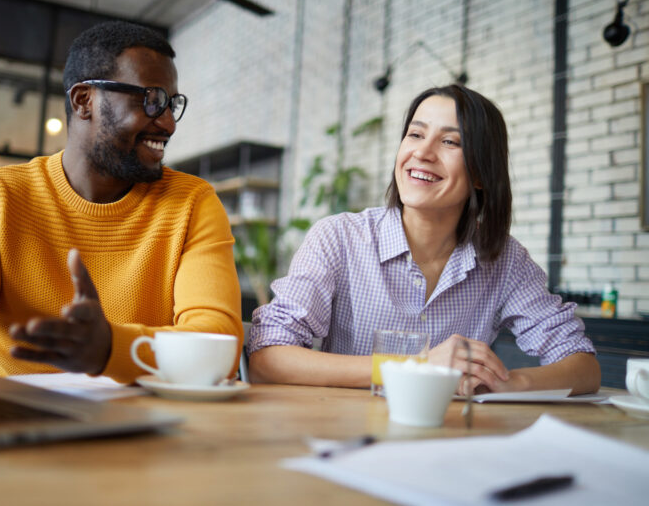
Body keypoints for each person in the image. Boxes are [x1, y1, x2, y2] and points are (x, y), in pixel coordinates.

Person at [0, 21, 242, 382]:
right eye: (152, 100)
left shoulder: (192, 204)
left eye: (172, 104)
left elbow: (218, 343)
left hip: (144, 426)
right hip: (12, 421)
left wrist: (111, 348)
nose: (168, 123)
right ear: (84, 101)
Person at [248, 84, 600, 395]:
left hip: (446, 443)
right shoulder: (338, 238)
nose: (423, 152)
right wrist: (413, 367)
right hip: (344, 437)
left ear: (480, 172)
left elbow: (583, 367)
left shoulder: (505, 259)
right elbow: (267, 358)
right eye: (415, 135)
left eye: (450, 141)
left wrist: (506, 382)